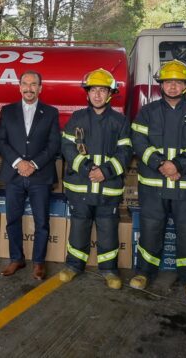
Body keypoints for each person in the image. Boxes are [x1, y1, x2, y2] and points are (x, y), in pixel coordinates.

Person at [129, 60, 186, 299]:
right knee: (150, 229)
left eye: (178, 82)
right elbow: (139, 142)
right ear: (161, 84)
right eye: (168, 81)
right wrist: (160, 164)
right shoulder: (147, 113)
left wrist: (178, 165)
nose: (173, 86)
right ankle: (144, 272)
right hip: (154, 187)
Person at [60, 68, 131, 289]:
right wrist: (89, 169)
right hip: (81, 185)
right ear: (87, 93)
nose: (97, 95)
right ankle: (73, 266)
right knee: (79, 227)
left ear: (110, 94)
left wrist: (105, 172)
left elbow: (126, 152)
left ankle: (109, 270)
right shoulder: (77, 118)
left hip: (107, 188)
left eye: (102, 90)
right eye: (93, 90)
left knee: (108, 228)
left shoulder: (120, 121)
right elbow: (67, 148)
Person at [0, 71, 60, 280]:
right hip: (14, 175)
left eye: (34, 84)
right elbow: (1, 142)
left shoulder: (50, 112)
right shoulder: (7, 111)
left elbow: (53, 145)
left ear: (40, 88)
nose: (29, 88)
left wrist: (33, 164)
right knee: (12, 220)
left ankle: (39, 263)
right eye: (25, 83)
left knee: (41, 221)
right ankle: (17, 259)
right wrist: (18, 163)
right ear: (19, 86)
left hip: (39, 176)